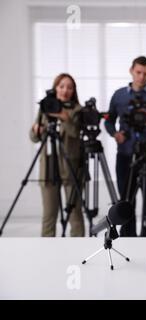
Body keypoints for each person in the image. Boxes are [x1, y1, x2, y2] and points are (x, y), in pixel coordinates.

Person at [105, 56, 146, 237]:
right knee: (126, 203)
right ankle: (128, 241)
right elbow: (108, 120)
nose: (142, 77)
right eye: (138, 72)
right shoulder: (119, 95)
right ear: (131, 71)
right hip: (125, 156)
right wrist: (115, 134)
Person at [30, 73, 85, 237]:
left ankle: (79, 246)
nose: (65, 90)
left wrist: (65, 117)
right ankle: (47, 249)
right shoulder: (45, 107)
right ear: (55, 88)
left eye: (69, 87)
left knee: (74, 211)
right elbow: (34, 137)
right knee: (49, 213)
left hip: (71, 165)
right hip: (48, 165)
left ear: (74, 90)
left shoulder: (77, 110)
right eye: (61, 86)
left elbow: (76, 132)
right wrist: (36, 130)